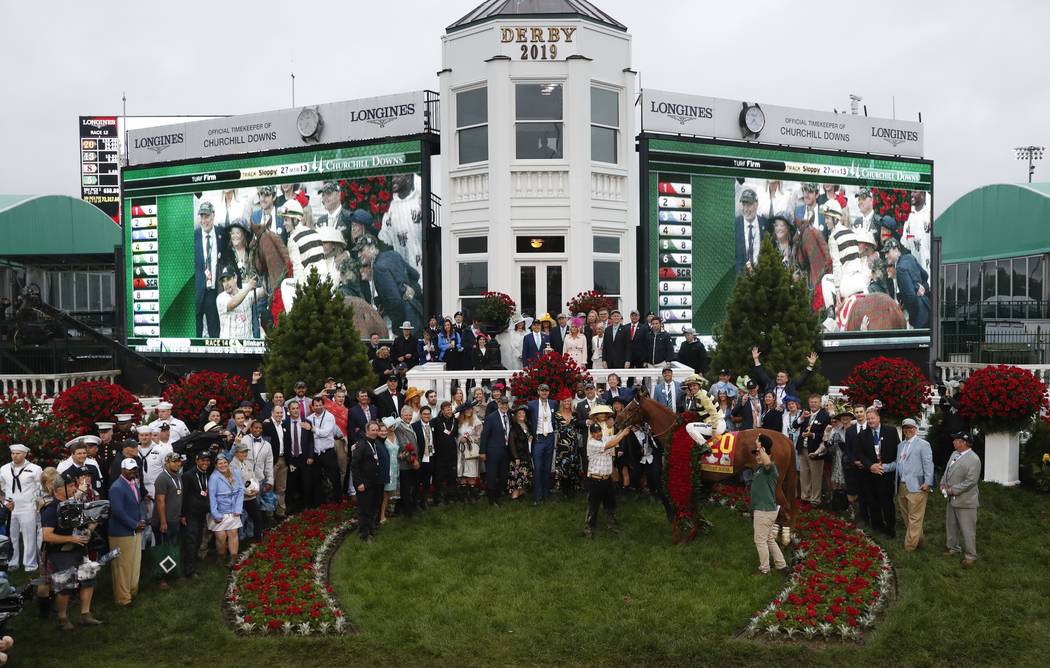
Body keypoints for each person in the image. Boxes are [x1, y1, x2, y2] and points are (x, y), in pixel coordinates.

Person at [43, 469, 103, 629]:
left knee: (88, 580)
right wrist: (72, 539)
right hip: (61, 553)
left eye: (73, 486)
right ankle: (62, 618)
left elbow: (91, 519)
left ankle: (85, 614)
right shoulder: (51, 510)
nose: (74, 489)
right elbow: (47, 536)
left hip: (80, 549)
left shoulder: (76, 505)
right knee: (65, 587)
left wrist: (89, 530)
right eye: (69, 487)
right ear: (58, 490)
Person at [880, 417, 934, 551]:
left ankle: (909, 548)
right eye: (905, 428)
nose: (908, 430)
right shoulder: (900, 446)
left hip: (917, 486)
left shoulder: (923, 444)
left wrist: (928, 482)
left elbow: (928, 464)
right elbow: (897, 464)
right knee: (907, 517)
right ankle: (919, 541)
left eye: (910, 427)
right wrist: (883, 467)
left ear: (915, 429)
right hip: (902, 486)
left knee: (915, 518)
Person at [858, 405, 900, 538]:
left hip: (886, 473)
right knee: (872, 501)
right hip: (870, 474)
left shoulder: (891, 431)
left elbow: (897, 450)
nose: (870, 421)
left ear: (878, 418)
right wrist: (871, 466)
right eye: (868, 419)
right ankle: (877, 526)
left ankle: (890, 529)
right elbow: (860, 454)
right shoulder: (862, 435)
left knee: (887, 501)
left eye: (873, 418)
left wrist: (888, 466)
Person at [583, 424, 632, 539]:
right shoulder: (592, 443)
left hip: (607, 479)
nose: (598, 434)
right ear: (591, 434)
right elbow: (611, 444)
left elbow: (614, 437)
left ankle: (612, 526)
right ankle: (588, 529)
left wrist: (623, 429)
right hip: (596, 480)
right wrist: (623, 434)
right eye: (595, 432)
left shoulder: (604, 438)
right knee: (593, 506)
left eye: (599, 431)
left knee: (610, 505)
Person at [108, 458, 145, 608]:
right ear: (122, 470)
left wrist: (141, 520)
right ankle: (122, 598)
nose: (133, 472)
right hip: (121, 533)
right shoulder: (116, 487)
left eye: (135, 469)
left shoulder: (134, 483)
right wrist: (134, 525)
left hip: (135, 531)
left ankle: (131, 590)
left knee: (134, 563)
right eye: (130, 469)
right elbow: (118, 512)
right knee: (122, 566)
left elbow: (138, 503)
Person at [749, 434, 788, 574]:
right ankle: (781, 565)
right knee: (769, 539)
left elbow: (766, 463)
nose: (756, 456)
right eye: (756, 454)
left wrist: (760, 447)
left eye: (758, 453)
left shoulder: (770, 468)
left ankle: (764, 569)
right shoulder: (760, 469)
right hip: (766, 510)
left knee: (760, 541)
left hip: (764, 511)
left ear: (766, 453)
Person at [941, 432, 981, 567]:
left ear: (964, 443)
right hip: (951, 499)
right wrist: (942, 483)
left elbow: (971, 481)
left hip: (966, 500)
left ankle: (970, 555)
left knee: (967, 529)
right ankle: (953, 548)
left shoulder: (974, 459)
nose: (953, 442)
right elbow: (947, 471)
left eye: (956, 440)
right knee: (951, 525)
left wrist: (953, 490)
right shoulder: (954, 454)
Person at [1, 444, 42, 572]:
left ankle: (30, 564)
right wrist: (5, 500)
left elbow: (40, 486)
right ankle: (13, 562)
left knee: (29, 536)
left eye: (18, 453)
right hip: (10, 507)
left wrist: (37, 502)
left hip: (28, 507)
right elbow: (1, 486)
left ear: (25, 454)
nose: (15, 456)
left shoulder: (35, 468)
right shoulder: (4, 468)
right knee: (11, 536)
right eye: (13, 453)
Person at [151, 452, 184, 590]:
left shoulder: (177, 476)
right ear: (167, 463)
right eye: (174, 461)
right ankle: (161, 579)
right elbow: (160, 501)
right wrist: (163, 522)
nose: (177, 464)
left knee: (172, 548)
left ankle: (171, 573)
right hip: (164, 521)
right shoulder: (162, 478)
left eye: (178, 461)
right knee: (162, 549)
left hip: (174, 519)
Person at [193, 201, 225, 338]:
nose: (204, 220)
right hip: (196, 292)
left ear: (213, 216)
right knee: (196, 332)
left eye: (206, 216)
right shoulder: (193, 236)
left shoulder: (221, 234)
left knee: (214, 332)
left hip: (213, 292)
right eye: (202, 217)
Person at [180, 451, 212, 579]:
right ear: (197, 461)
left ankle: (193, 565)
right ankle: (189, 570)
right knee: (191, 541)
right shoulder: (188, 475)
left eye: (207, 461)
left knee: (198, 539)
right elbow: (183, 496)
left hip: (202, 513)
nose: (205, 463)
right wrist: (182, 515)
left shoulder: (206, 474)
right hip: (190, 514)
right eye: (202, 460)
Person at [885, 240, 930, 329]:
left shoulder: (900, 268)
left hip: (919, 318)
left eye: (887, 252)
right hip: (927, 309)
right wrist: (923, 288)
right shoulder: (910, 257)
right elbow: (925, 275)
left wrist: (912, 319)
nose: (886, 256)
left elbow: (911, 296)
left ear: (895, 249)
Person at [208, 454, 244, 567]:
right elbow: (212, 497)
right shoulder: (214, 478)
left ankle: (233, 558)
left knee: (233, 533)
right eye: (220, 463)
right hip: (219, 510)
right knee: (221, 537)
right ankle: (221, 556)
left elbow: (241, 489)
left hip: (233, 510)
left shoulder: (235, 472)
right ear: (216, 465)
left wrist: (238, 508)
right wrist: (215, 514)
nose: (223, 465)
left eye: (225, 463)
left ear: (228, 463)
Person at [751, 347, 817, 409]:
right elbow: (761, 373)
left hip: (787, 413)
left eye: (782, 377)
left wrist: (811, 365)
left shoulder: (792, 386)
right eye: (778, 376)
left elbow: (803, 377)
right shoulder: (770, 384)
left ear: (786, 379)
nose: (779, 378)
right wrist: (756, 359)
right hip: (771, 413)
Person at [793, 394, 829, 505]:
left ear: (820, 403)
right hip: (803, 449)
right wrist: (802, 417)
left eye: (815, 402)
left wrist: (812, 434)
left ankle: (815, 500)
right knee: (804, 475)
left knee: (816, 476)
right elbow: (794, 425)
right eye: (811, 402)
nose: (813, 404)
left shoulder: (825, 416)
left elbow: (826, 435)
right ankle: (805, 497)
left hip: (815, 450)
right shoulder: (805, 414)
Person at [351, 421, 383, 543]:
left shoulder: (374, 443)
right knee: (364, 509)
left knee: (372, 507)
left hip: (372, 482)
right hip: (363, 483)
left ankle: (369, 529)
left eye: (376, 430)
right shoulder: (361, 445)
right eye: (373, 430)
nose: (375, 432)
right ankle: (364, 535)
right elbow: (354, 465)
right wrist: (359, 483)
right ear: (367, 431)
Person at [307, 397, 342, 503]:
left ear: (324, 405)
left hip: (328, 452)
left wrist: (312, 429)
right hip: (316, 453)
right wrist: (315, 432)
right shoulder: (309, 418)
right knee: (316, 479)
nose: (318, 407)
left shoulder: (329, 417)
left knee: (334, 477)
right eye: (316, 405)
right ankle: (319, 503)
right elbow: (310, 436)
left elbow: (326, 432)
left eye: (320, 405)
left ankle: (337, 501)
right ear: (312, 407)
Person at [528, 384, 559, 504]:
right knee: (538, 467)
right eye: (542, 390)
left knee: (547, 467)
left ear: (549, 392)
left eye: (546, 390)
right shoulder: (532, 404)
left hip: (550, 437)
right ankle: (538, 496)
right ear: (538, 391)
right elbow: (525, 418)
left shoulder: (553, 403)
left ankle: (546, 492)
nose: (544, 392)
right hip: (538, 438)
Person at [479, 396, 512, 506]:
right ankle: (492, 500)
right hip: (492, 451)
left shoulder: (509, 416)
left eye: (506, 404)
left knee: (503, 477)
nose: (504, 406)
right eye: (502, 404)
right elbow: (484, 435)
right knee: (492, 476)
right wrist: (482, 451)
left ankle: (497, 495)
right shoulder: (491, 417)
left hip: (505, 451)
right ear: (498, 404)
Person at [283, 400, 315, 512]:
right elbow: (286, 444)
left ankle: (307, 506)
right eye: (293, 408)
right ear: (289, 410)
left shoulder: (307, 422)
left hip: (304, 457)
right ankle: (292, 507)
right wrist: (289, 461)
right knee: (291, 484)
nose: (296, 410)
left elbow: (311, 441)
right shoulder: (284, 424)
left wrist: (311, 456)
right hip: (292, 458)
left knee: (306, 483)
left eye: (297, 408)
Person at [232, 441, 263, 544]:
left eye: (245, 452)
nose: (244, 454)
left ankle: (257, 539)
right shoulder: (232, 465)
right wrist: (246, 492)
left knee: (257, 517)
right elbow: (235, 482)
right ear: (236, 453)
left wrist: (256, 489)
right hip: (239, 497)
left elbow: (254, 478)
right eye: (242, 452)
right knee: (239, 520)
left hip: (251, 496)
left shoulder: (248, 462)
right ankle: (240, 541)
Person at [216, 267, 257, 340]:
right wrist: (249, 286)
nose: (226, 284)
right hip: (228, 348)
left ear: (235, 278)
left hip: (247, 347)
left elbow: (263, 292)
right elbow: (232, 303)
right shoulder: (221, 298)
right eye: (223, 281)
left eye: (228, 279)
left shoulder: (247, 294)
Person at [553, 390, 581, 495]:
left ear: (571, 402)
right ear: (561, 402)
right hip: (562, 445)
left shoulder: (575, 414)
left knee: (573, 465)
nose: (566, 403)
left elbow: (578, 427)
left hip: (573, 444)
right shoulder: (557, 415)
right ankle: (564, 490)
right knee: (563, 466)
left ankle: (572, 488)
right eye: (564, 401)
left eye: (568, 401)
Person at [735, 187, 768, 273]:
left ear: (756, 205)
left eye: (749, 205)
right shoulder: (735, 225)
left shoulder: (765, 224)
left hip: (761, 277)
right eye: (743, 205)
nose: (746, 209)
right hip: (740, 278)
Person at [455, 406, 482, 502]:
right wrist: (460, 440)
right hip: (460, 449)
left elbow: (479, 436)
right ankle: (464, 496)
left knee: (471, 472)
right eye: (466, 409)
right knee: (462, 472)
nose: (468, 411)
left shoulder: (476, 420)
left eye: (470, 409)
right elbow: (455, 434)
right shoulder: (458, 421)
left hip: (471, 450)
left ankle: (472, 495)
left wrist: (468, 439)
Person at [413, 406, 437, 510]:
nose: (426, 416)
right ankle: (416, 502)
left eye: (428, 414)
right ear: (421, 415)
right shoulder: (415, 426)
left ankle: (424, 501)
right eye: (424, 414)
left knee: (427, 480)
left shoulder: (433, 425)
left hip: (431, 456)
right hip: (420, 457)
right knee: (418, 481)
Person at [507, 406, 533, 501]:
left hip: (526, 454)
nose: (522, 415)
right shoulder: (514, 427)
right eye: (519, 414)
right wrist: (516, 457)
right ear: (516, 416)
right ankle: (514, 496)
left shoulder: (527, 425)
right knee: (516, 476)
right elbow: (512, 443)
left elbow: (528, 438)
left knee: (523, 476)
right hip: (518, 456)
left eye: (523, 413)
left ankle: (521, 494)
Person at [902, 190, 931, 275]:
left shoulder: (931, 213)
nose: (911, 194)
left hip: (932, 267)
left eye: (915, 192)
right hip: (916, 271)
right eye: (911, 192)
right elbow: (906, 246)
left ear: (922, 193)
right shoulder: (909, 218)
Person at [377, 421, 400, 522]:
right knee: (385, 493)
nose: (391, 427)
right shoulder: (382, 439)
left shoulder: (396, 435)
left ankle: (389, 511)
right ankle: (381, 516)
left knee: (391, 492)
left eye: (393, 425)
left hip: (396, 467)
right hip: (387, 468)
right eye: (389, 426)